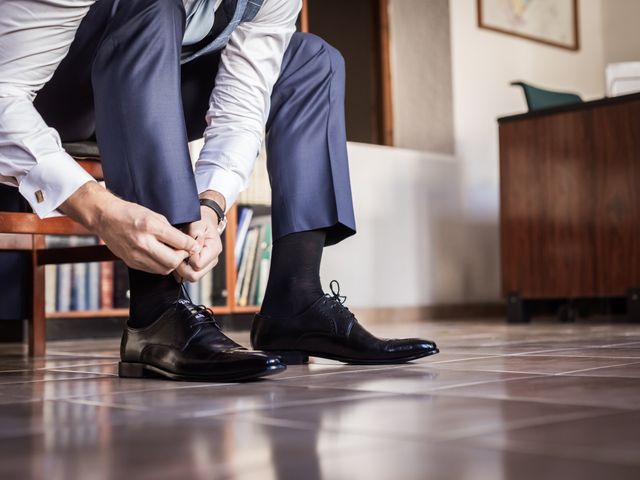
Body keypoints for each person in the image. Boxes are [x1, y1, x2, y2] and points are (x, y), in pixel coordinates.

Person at [0, 0, 438, 382]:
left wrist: (211, 204)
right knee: (151, 3)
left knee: (309, 59)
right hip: (51, 99)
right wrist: (96, 207)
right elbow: (4, 92)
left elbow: (243, 103)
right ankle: (157, 311)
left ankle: (295, 302)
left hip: (152, 84)